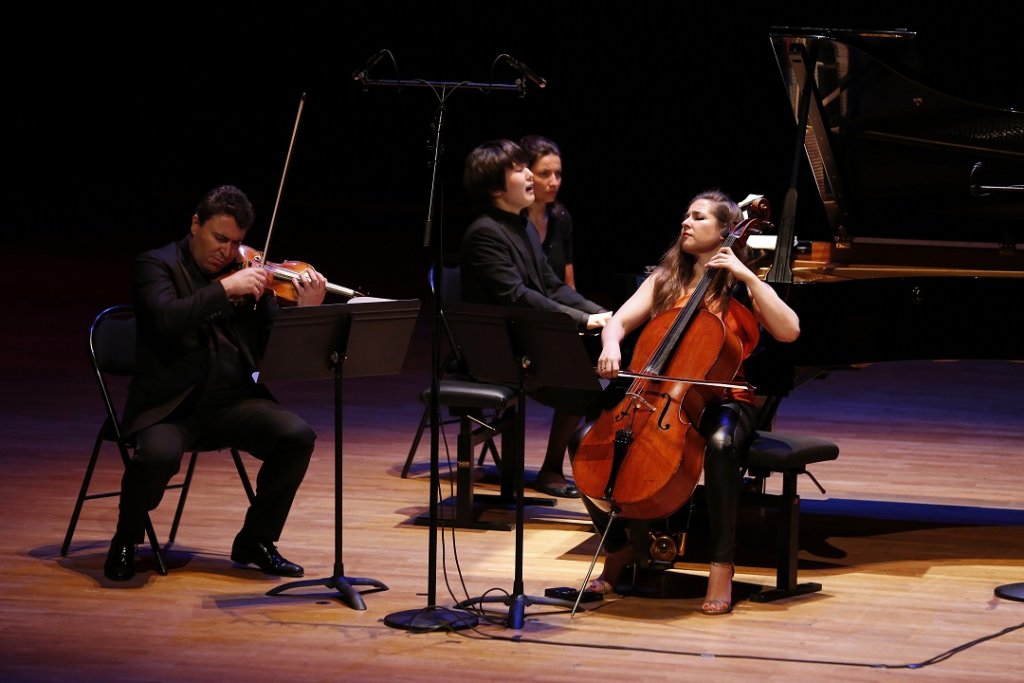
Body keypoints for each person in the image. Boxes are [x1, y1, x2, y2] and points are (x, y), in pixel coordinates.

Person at [582, 189, 800, 614]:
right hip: (657, 396)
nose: (686, 222)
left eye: (699, 218)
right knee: (584, 441)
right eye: (686, 215)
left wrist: (751, 277)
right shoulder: (666, 279)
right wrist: (610, 345)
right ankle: (625, 546)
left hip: (723, 400)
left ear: (725, 232)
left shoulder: (740, 282)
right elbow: (620, 321)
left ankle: (722, 564)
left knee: (720, 448)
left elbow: (789, 331)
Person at [104, 185, 327, 582]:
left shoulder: (250, 275)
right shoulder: (155, 266)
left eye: (236, 243)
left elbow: (276, 350)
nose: (227, 251)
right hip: (170, 406)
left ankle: (256, 539)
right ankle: (126, 536)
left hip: (232, 403)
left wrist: (303, 315)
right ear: (195, 224)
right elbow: (164, 318)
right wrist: (223, 291)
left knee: (296, 436)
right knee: (155, 457)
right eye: (219, 238)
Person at [460, 139, 613, 498]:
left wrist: (602, 315)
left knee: (602, 375)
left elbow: (551, 285)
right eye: (518, 169)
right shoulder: (485, 233)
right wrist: (582, 322)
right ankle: (567, 471)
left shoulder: (522, 225)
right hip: (495, 353)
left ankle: (579, 471)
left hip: (523, 340)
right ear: (497, 188)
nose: (530, 174)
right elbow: (518, 296)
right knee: (587, 386)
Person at [520, 135, 575, 289]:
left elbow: (569, 285)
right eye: (544, 174)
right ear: (527, 175)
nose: (554, 182)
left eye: (558, 174)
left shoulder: (561, 219)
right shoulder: (514, 220)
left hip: (558, 308)